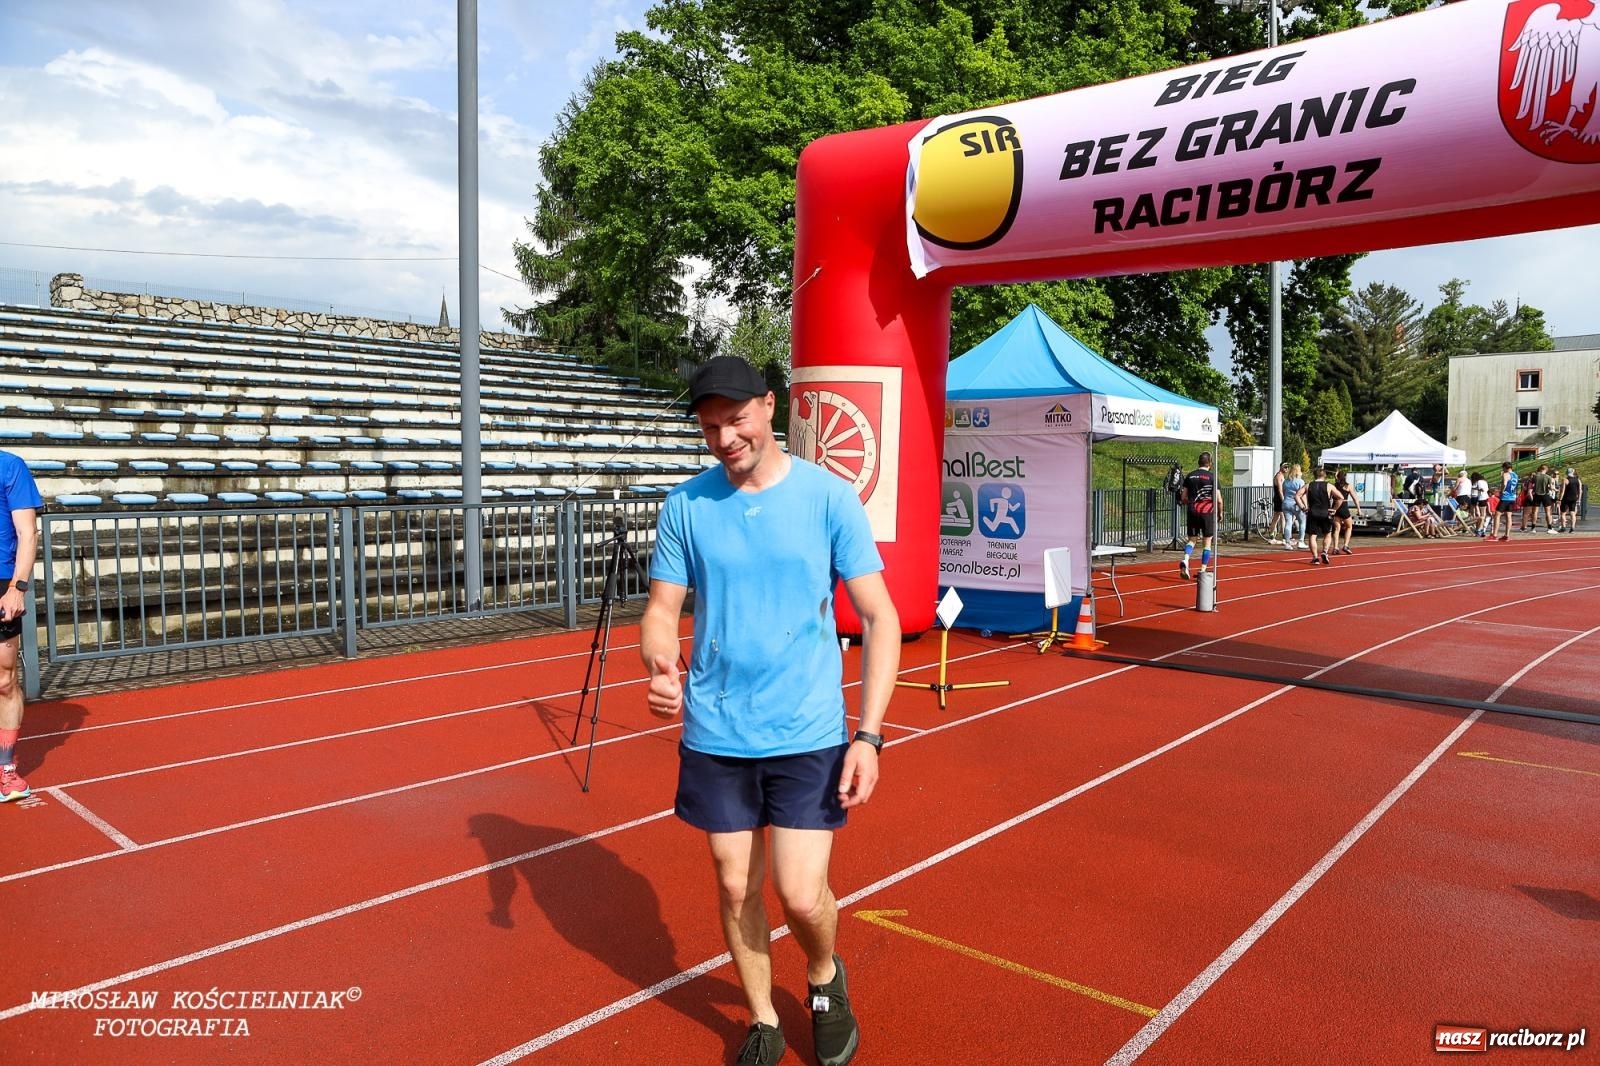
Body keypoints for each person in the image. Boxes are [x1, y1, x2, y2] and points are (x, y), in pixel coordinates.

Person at [640, 356, 901, 1066]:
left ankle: (822, 974)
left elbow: (879, 617)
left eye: (736, 419)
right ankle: (762, 1018)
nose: (725, 438)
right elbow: (661, 611)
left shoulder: (828, 498)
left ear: (769, 405)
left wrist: (869, 736)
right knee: (735, 886)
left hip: (806, 729)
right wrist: (660, 663)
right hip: (716, 730)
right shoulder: (686, 506)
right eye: (710, 427)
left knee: (802, 895)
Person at [0, 449, 42, 803]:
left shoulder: (10, 466)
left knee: (3, 679)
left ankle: (6, 769)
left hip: (2, 581)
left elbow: (28, 533)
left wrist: (17, 587)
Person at [1177, 451, 1218, 580]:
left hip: (1192, 510)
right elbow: (1219, 499)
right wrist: (1220, 512)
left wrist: (1189, 503)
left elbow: (1183, 497)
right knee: (1207, 541)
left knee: (1192, 539)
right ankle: (1203, 570)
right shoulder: (1212, 477)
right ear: (1210, 463)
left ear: (1198, 462)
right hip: (1207, 512)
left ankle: (1186, 559)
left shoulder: (1190, 476)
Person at [1296, 466, 1344, 565]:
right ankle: (1325, 551)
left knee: (1312, 536)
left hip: (1313, 512)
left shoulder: (1308, 485)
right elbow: (1341, 497)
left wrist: (1303, 507)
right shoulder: (1329, 486)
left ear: (1314, 475)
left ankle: (1315, 557)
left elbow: (1297, 495)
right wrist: (1334, 509)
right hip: (1325, 512)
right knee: (1327, 533)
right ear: (1325, 476)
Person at [1332, 470, 1361, 554]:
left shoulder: (1334, 486)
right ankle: (1345, 545)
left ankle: (1335, 548)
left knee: (1337, 529)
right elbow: (1355, 498)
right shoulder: (1348, 486)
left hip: (1335, 507)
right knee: (1349, 527)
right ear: (1345, 477)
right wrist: (1358, 509)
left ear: (1337, 477)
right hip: (1344, 507)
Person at [1279, 463, 1306, 551]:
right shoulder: (1300, 481)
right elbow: (1302, 494)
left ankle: (1287, 542)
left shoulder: (1286, 481)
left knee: (1288, 523)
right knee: (1302, 521)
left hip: (1286, 503)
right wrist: (1305, 505)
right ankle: (1301, 541)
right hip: (1296, 504)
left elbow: (1283, 492)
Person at [1491, 461, 1519, 541]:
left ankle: (1494, 534)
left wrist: (1501, 491)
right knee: (1508, 515)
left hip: (1505, 497)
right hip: (1512, 497)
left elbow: (1504, 483)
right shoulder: (1515, 475)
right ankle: (1506, 535)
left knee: (1497, 514)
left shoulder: (1506, 474)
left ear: (1505, 468)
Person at [1268, 460, 1290, 545]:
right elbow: (1280, 490)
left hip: (1278, 498)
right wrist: (1283, 500)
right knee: (1282, 517)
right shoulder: (1279, 476)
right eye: (1285, 467)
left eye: (1287, 467)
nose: (1286, 469)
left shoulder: (1281, 476)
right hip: (1279, 499)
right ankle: (1284, 537)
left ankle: (1272, 537)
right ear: (1281, 467)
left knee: (1276, 517)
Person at [1559, 467, 1583, 533]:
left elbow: (1562, 491)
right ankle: (1572, 527)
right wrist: (1579, 499)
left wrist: (1560, 499)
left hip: (1566, 498)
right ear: (1573, 472)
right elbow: (1580, 490)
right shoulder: (1578, 480)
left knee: (1563, 513)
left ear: (1567, 473)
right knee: (1572, 513)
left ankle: (1563, 527)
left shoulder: (1565, 480)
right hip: (1574, 498)